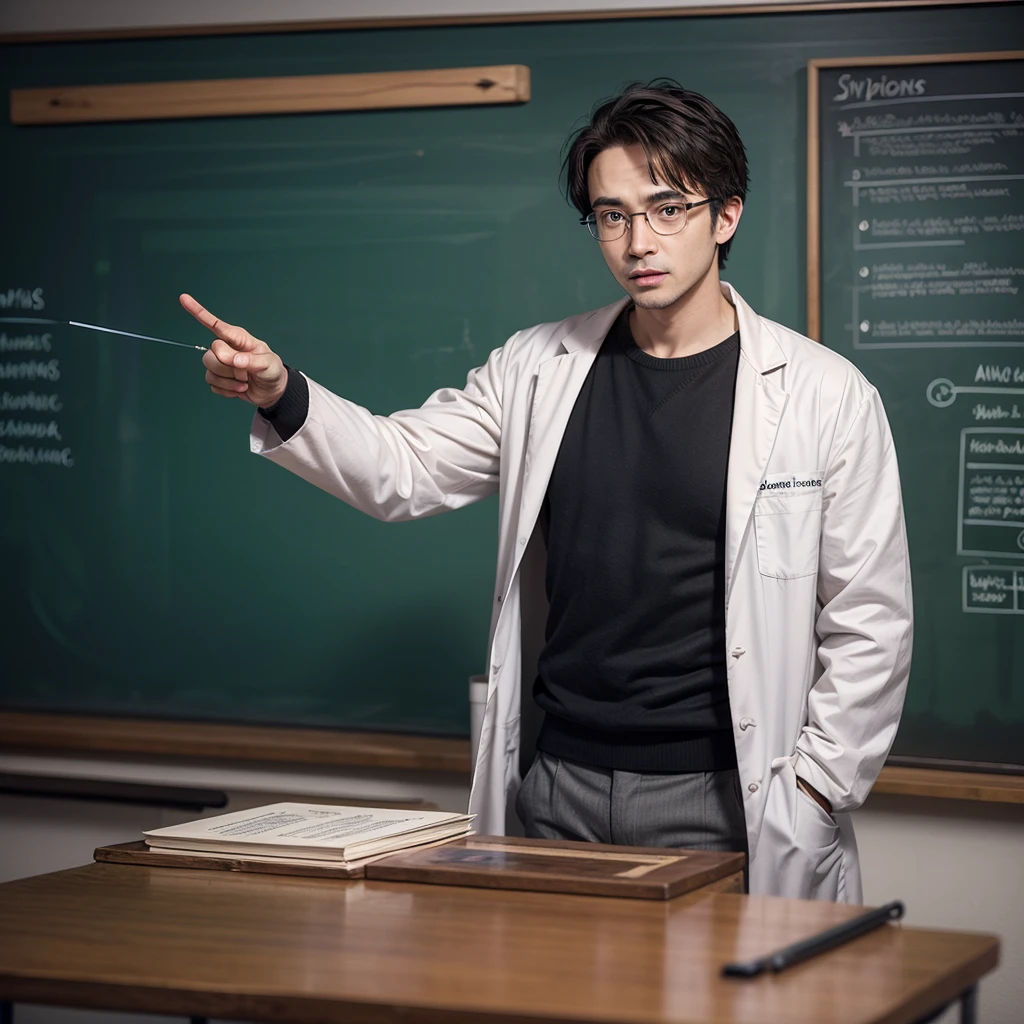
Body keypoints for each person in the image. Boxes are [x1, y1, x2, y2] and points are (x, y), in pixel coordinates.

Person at [181, 82, 912, 903]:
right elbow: (402, 467)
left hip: (725, 798)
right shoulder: (538, 368)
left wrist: (815, 788)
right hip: (554, 788)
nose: (639, 240)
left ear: (726, 215)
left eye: (666, 207)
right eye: (611, 214)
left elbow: (871, 621)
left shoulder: (823, 394)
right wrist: (281, 391)